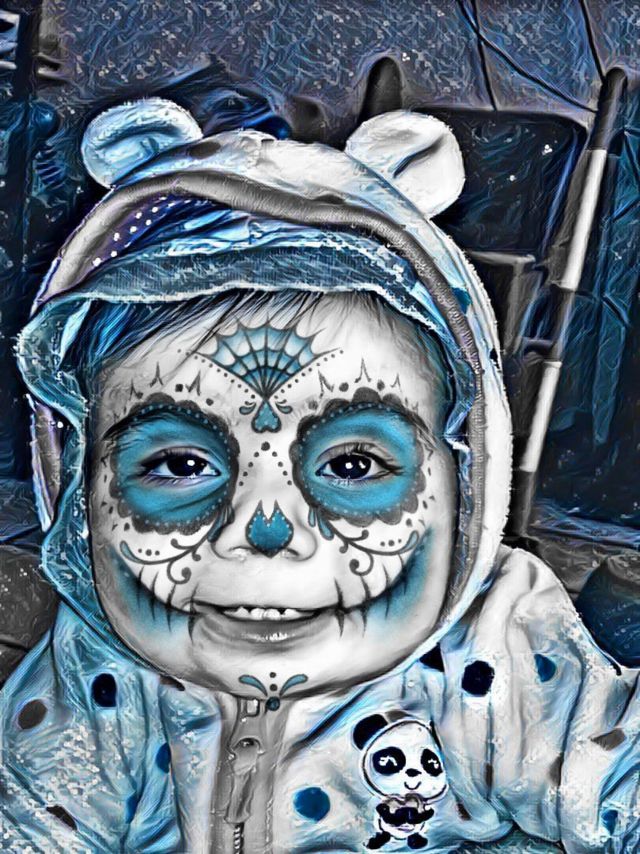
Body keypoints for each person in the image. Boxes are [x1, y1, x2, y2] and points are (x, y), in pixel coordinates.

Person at [0, 98, 637, 854]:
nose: (266, 531)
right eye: (180, 464)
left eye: (352, 465)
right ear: (81, 490)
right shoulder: (99, 660)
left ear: (464, 482)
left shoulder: (498, 640)